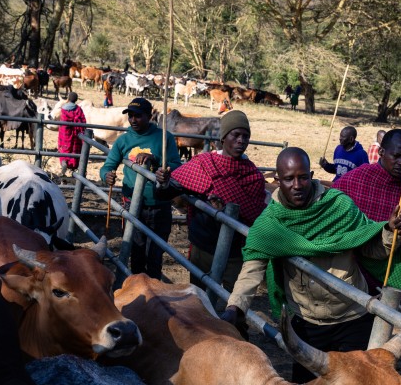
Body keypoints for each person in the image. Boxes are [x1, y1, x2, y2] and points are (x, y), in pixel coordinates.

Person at [221, 147, 401, 383]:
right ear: (278, 180)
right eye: (289, 179)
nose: (297, 185)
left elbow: (370, 248)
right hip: (306, 322)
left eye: (303, 177)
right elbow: (251, 271)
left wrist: (390, 233)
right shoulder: (270, 224)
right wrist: (235, 307)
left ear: (311, 175)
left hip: (352, 316)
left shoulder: (339, 207)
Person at [156, 110, 267, 290]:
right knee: (199, 297)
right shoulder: (203, 164)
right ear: (223, 137)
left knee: (232, 300)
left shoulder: (253, 176)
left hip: (236, 251)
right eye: (236, 135)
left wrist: (225, 209)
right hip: (203, 245)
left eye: (245, 136)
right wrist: (163, 182)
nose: (241, 140)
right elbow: (166, 193)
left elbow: (256, 215)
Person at [100, 97, 181, 279]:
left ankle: (153, 293)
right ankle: (137, 292)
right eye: (130, 116)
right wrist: (107, 176)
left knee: (155, 256)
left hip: (160, 204)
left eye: (138, 116)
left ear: (149, 116)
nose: (133, 120)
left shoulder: (164, 138)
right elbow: (107, 166)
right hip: (133, 206)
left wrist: (160, 164)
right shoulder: (123, 141)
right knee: (136, 254)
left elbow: (176, 165)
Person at [332, 129, 401, 249]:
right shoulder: (355, 179)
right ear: (381, 152)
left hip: (392, 262)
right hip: (351, 257)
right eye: (396, 156)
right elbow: (330, 219)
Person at [57, 92, 86, 176]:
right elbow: (83, 121)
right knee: (74, 150)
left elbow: (62, 122)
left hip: (64, 134)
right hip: (76, 135)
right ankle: (73, 169)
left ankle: (64, 163)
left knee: (64, 149)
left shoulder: (63, 109)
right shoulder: (78, 109)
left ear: (68, 99)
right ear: (76, 100)